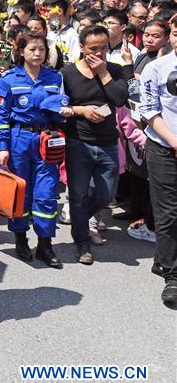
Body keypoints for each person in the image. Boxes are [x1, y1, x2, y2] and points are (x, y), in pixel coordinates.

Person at [0, 31, 68, 268]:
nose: (37, 53)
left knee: (46, 193)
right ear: (21, 52)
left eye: (42, 49)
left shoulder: (55, 77)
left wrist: (62, 114)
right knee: (20, 192)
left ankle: (45, 244)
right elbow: (0, 115)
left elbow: (61, 108)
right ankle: (20, 238)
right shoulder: (8, 79)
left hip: (47, 139)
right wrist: (2, 146)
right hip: (18, 139)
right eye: (32, 49)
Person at [60, 25, 129, 265]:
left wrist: (102, 73)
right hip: (78, 141)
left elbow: (120, 98)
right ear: (81, 48)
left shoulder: (115, 70)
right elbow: (59, 107)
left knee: (106, 193)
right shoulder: (67, 73)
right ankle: (82, 242)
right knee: (78, 195)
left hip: (108, 142)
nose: (98, 53)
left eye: (103, 48)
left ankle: (80, 219)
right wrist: (81, 110)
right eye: (93, 48)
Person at [138, 16, 177, 305]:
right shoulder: (156, 68)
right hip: (163, 147)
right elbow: (149, 111)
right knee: (169, 212)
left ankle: (162, 257)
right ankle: (173, 276)